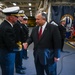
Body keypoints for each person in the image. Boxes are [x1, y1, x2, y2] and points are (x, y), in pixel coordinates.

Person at [0, 6, 22, 75]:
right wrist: (19, 47)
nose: (17, 18)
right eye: (16, 16)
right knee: (8, 71)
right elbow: (11, 44)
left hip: (4, 52)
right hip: (7, 53)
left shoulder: (5, 25)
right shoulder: (7, 28)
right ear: (10, 17)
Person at [13, 10, 26, 74]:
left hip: (20, 43)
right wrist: (19, 43)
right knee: (18, 57)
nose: (22, 18)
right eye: (21, 17)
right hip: (18, 43)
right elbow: (17, 35)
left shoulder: (19, 24)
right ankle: (18, 69)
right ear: (18, 17)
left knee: (20, 56)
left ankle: (20, 66)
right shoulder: (16, 24)